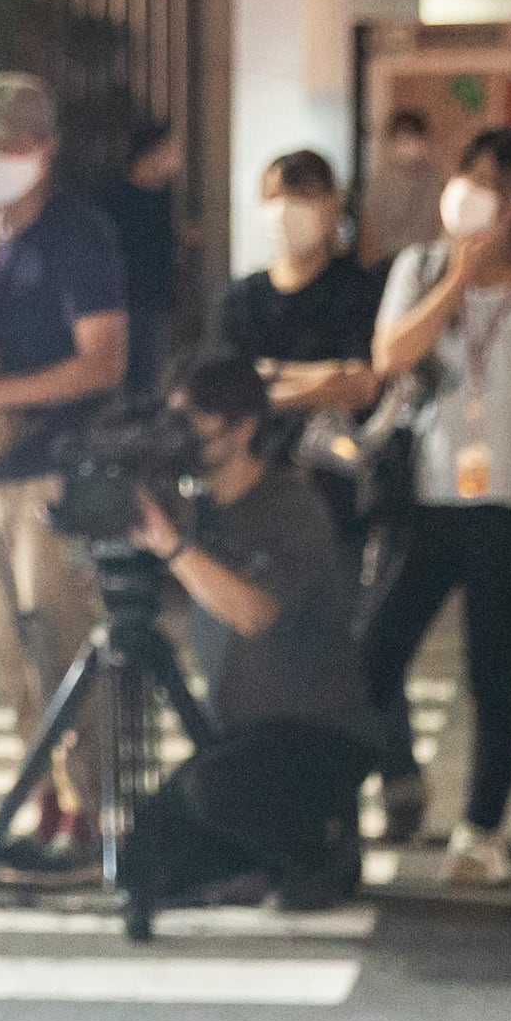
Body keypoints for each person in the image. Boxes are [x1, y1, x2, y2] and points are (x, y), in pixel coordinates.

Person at [0, 72, 133, 865]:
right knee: (11, 652)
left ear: (46, 149)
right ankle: (44, 796)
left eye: (10, 147)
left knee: (60, 636)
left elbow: (102, 362)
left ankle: (99, 810)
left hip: (58, 468)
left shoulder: (79, 236)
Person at [356, 122, 511, 890]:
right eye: (469, 176)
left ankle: (480, 829)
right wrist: (456, 277)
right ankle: (400, 775)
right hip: (427, 498)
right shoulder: (417, 267)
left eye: (497, 185)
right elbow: (390, 358)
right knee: (375, 652)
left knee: (495, 671)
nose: (475, 195)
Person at [116, 353, 392, 913]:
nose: (182, 440)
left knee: (214, 790)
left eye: (193, 424)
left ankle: (322, 852)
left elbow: (253, 612)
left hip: (316, 734)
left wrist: (171, 545)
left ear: (242, 427)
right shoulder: (195, 510)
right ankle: (261, 865)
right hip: (237, 738)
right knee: (145, 858)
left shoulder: (291, 506)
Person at [216, 146, 379, 549]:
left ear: (332, 204)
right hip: (247, 478)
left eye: (303, 197)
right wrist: (326, 375)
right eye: (275, 197)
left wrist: (269, 377)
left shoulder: (356, 289)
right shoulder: (242, 297)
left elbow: (362, 384)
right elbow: (224, 387)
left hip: (332, 484)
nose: (287, 210)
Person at [104, 112, 189, 390]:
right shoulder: (113, 199)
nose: (177, 157)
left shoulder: (166, 196)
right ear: (151, 153)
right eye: (170, 149)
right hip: (125, 305)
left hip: (158, 303)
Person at [360, 101, 447, 271]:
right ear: (391, 141)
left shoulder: (437, 178)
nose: (408, 146)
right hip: (388, 264)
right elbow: (368, 229)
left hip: (427, 264)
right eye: (402, 139)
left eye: (413, 138)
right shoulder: (381, 181)